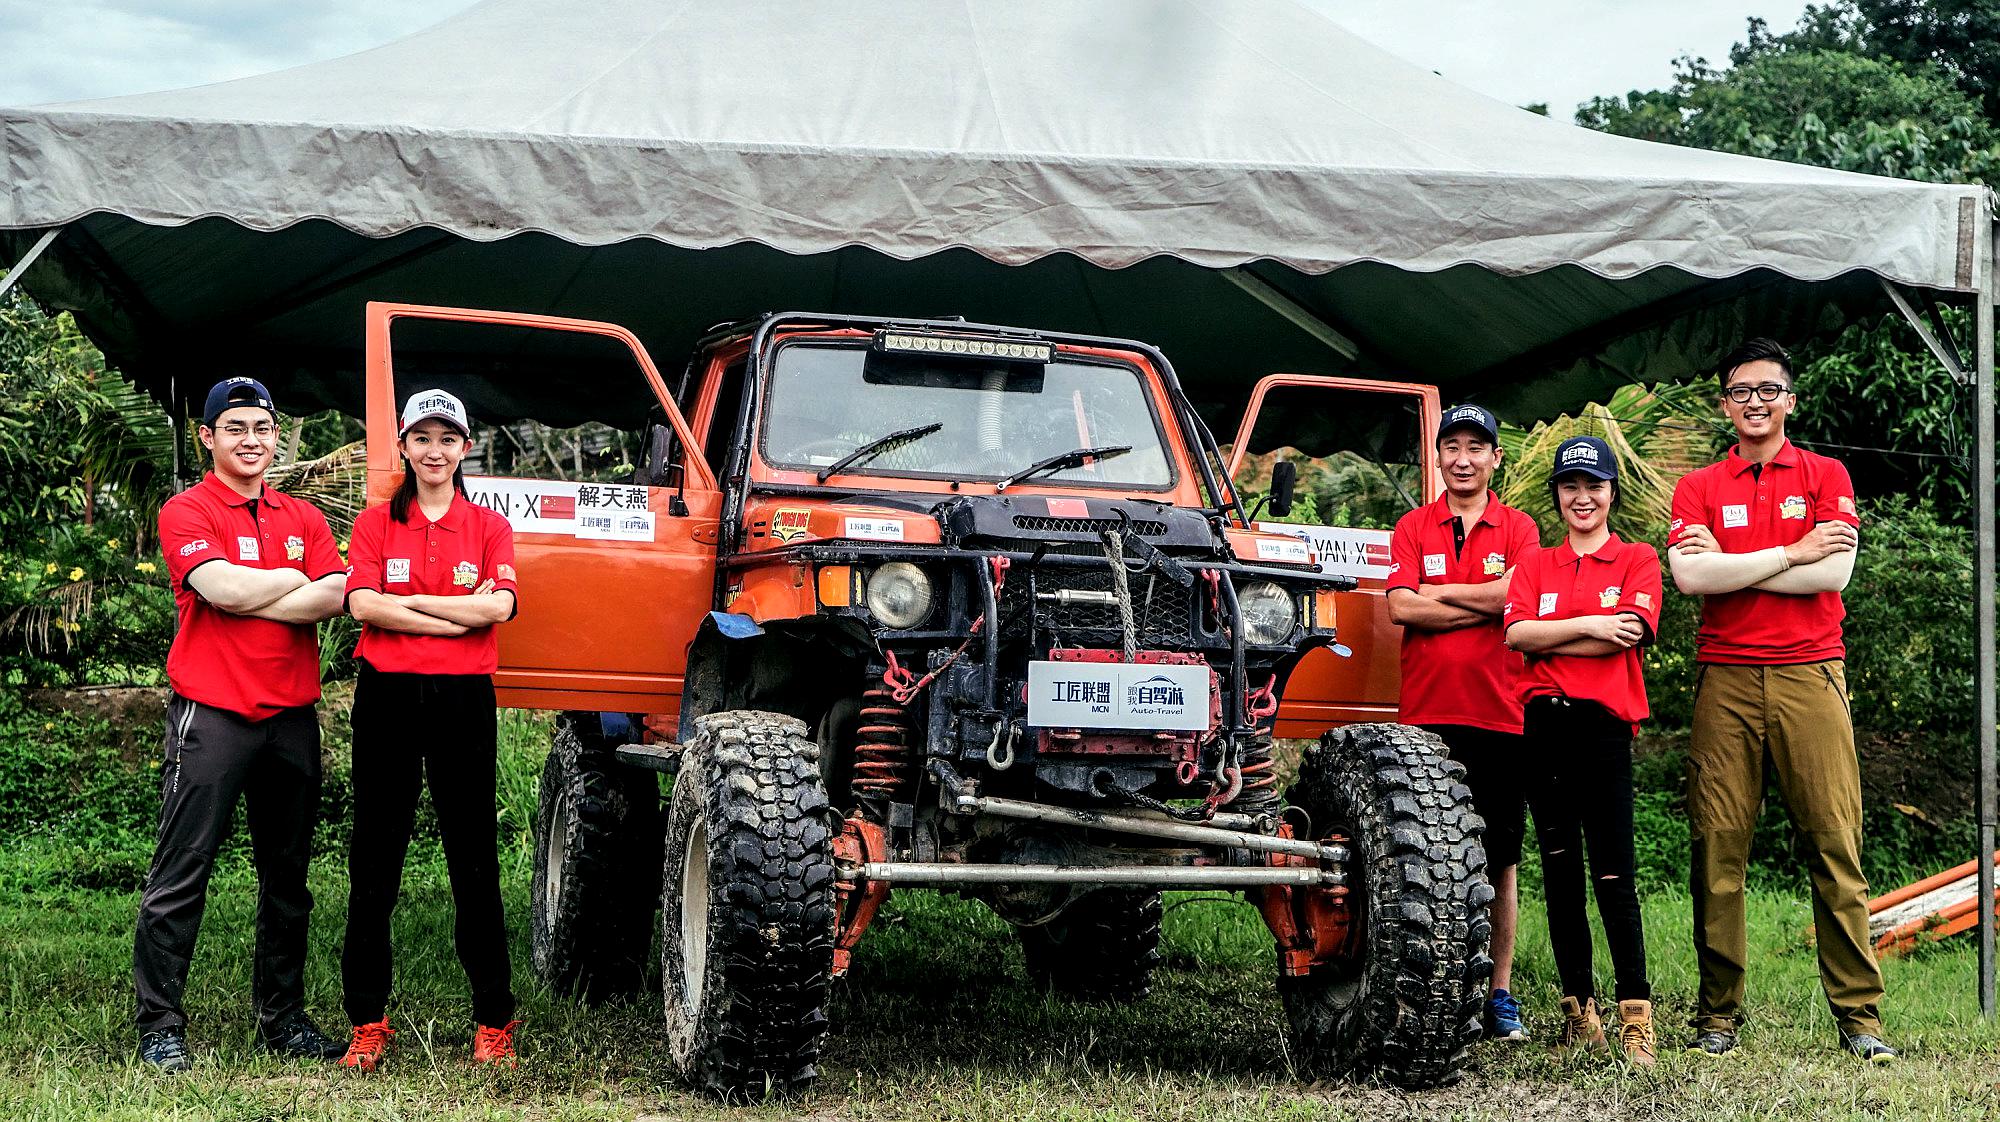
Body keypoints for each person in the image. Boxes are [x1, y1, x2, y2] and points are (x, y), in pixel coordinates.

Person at [1668, 338, 1894, 1063]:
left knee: (1834, 845)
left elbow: (1840, 573)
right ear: (1725, 403)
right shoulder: (1699, 486)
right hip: (1725, 679)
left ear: (1790, 400)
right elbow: (1689, 580)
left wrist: (1733, 568)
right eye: (1741, 391)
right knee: (1717, 850)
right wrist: (1794, 553)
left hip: (1811, 673)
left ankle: (1861, 1020)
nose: (1755, 402)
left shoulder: (1826, 473)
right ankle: (1717, 1019)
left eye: (1769, 390)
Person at [136, 377, 350, 1072]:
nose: (251, 440)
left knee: (287, 880)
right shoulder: (187, 510)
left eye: (261, 427)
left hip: (290, 717)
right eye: (236, 428)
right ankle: (160, 1026)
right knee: (181, 873)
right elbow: (219, 589)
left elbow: (339, 592)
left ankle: (281, 1018)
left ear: (275, 435)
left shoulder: (303, 517)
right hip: (214, 714)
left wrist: (257, 590)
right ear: (209, 437)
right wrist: (294, 585)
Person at [338, 388, 522, 1071]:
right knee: (374, 859)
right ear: (406, 446)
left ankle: (494, 1018)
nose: (434, 450)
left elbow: (498, 605)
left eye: (447, 438)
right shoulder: (375, 523)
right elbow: (360, 603)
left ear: (464, 448)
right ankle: (368, 1019)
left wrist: (401, 606)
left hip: (463, 699)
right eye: (422, 438)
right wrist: (451, 611)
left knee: (473, 856)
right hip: (386, 697)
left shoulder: (488, 527)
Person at [1385, 403, 1542, 1042]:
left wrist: (1439, 593)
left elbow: (1516, 598)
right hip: (1424, 719)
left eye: (1477, 446)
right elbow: (1399, 606)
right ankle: (1415, 987)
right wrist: (1479, 598)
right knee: (1412, 859)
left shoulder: (1522, 528)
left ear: (1495, 457)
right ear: (1439, 456)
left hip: (1502, 715)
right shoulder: (1412, 525)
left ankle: (1497, 993)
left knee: (1499, 860)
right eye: (1451, 446)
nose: (1462, 458)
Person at [1503, 435, 1661, 1066]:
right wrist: (1592, 624)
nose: (1582, 497)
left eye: (1594, 486)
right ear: (1558, 496)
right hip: (1544, 730)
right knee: (1561, 874)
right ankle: (1579, 1009)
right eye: (1571, 487)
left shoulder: (1637, 559)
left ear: (1611, 493)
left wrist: (1559, 638)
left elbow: (1629, 635)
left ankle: (1636, 1015)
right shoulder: (1537, 565)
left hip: (1603, 732)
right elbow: (1516, 633)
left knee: (1614, 874)